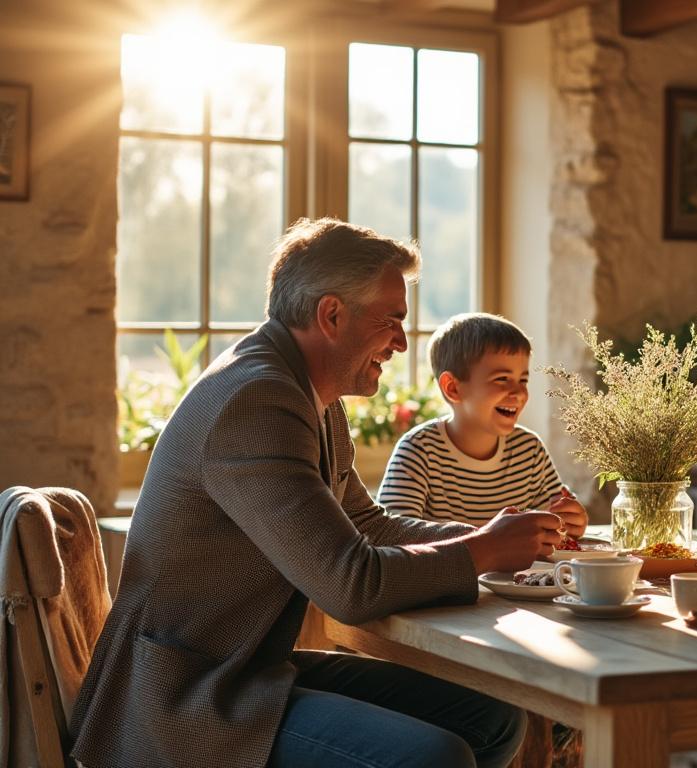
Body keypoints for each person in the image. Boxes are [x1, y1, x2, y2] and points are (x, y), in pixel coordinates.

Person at [70, 218, 575, 768]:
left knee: (494, 717)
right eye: (392, 322)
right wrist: (485, 551)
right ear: (332, 316)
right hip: (188, 701)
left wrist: (497, 537)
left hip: (246, 669)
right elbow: (349, 585)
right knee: (437, 756)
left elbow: (368, 524)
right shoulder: (258, 400)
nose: (403, 343)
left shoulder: (310, 393)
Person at [377, 312, 587, 530]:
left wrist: (571, 521)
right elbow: (395, 535)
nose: (519, 392)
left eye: (522, 380)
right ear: (453, 388)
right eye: (502, 379)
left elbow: (558, 525)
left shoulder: (530, 451)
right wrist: (486, 544)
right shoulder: (418, 451)